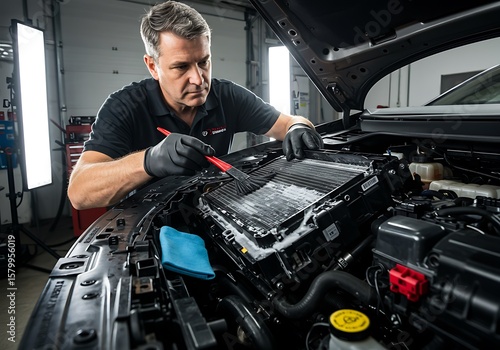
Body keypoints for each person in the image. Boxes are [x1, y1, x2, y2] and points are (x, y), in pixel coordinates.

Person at [67, 1, 323, 210]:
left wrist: (297, 128)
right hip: (151, 228)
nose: (199, 79)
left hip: (215, 210)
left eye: (203, 62)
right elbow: (79, 192)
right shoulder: (124, 107)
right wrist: (149, 161)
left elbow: (291, 123)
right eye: (181, 67)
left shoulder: (227, 97)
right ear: (153, 66)